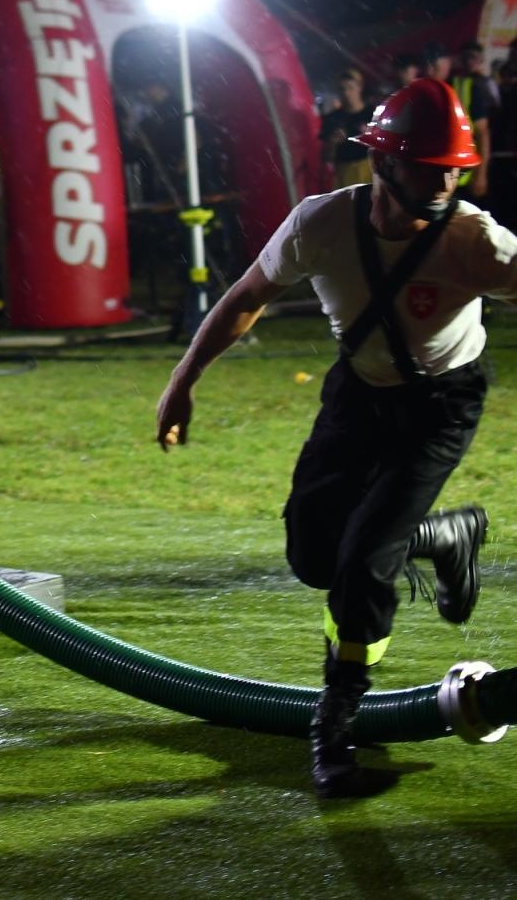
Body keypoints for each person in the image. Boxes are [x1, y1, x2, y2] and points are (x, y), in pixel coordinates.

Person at [156, 78, 503, 798]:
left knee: (363, 562)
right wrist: (182, 381)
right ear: (384, 163)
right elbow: (246, 295)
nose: (445, 181)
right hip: (358, 399)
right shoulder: (320, 224)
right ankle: (443, 538)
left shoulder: (475, 241)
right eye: (430, 166)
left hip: (440, 406)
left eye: (454, 168)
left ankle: (336, 721)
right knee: (316, 553)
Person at [450, 41, 496, 200]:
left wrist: (481, 173)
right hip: (457, 167)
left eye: (474, 57)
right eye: (466, 57)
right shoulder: (456, 82)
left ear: (482, 59)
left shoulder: (485, 84)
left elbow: (484, 131)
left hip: (481, 160)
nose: (469, 61)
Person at [321, 69, 373, 190]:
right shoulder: (332, 119)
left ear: (360, 87)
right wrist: (332, 143)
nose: (346, 93)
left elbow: (388, 149)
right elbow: (326, 157)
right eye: (342, 89)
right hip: (344, 176)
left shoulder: (374, 114)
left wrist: (372, 139)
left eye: (350, 87)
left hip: (371, 171)